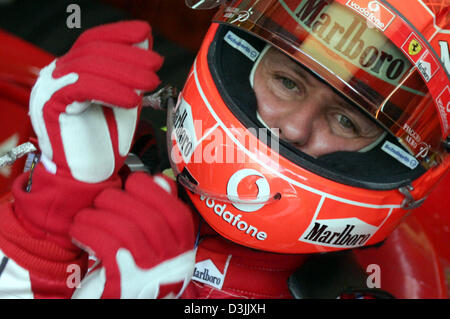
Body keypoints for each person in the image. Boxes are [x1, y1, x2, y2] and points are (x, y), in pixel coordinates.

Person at [0, 0, 448, 299]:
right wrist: (52, 213)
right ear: (243, 62)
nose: (292, 127)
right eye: (287, 82)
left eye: (347, 120)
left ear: (386, 156)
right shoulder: (118, 154)